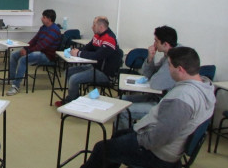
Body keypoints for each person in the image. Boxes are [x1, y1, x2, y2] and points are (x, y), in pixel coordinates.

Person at [81, 46, 215, 168]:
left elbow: (162, 136)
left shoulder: (182, 99)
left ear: (180, 69)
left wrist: (138, 140)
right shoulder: (206, 87)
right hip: (167, 145)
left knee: (101, 148)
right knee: (118, 135)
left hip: (158, 153)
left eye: (169, 66)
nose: (168, 70)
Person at [116, 25, 178, 129]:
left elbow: (155, 83)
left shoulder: (174, 59)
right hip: (158, 97)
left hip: (165, 105)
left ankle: (126, 140)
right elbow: (147, 75)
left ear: (166, 44)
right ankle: (118, 138)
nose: (154, 44)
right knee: (120, 100)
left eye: (156, 41)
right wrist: (150, 59)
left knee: (122, 111)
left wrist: (153, 76)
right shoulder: (167, 55)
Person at [55, 16, 120, 106]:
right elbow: (87, 48)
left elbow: (97, 56)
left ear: (101, 27)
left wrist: (78, 53)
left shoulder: (109, 39)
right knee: (68, 72)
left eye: (94, 25)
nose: (92, 27)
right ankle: (74, 98)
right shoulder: (97, 35)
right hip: (94, 67)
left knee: (74, 79)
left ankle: (71, 102)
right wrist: (74, 50)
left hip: (104, 73)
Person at [5, 9, 61, 96]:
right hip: (39, 51)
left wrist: (28, 51)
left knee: (23, 60)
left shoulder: (54, 30)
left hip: (47, 56)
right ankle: (12, 79)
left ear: (49, 19)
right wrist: (25, 48)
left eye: (44, 17)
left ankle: (16, 86)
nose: (41, 18)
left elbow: (42, 45)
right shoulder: (43, 28)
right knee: (14, 55)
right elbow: (34, 40)